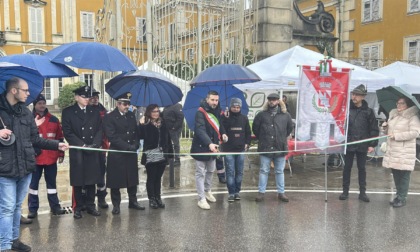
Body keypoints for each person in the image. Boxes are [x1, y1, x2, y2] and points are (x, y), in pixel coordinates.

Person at [0, 77, 68, 252]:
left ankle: (14, 240)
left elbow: (35, 139)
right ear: (14, 91)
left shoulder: (25, 112)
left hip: (25, 166)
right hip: (5, 168)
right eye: (25, 90)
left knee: (16, 207)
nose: (29, 93)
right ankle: (4, 245)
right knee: (6, 208)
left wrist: (57, 144)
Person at [61, 85, 103, 219]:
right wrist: (82, 144)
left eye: (88, 97)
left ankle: (91, 205)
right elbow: (68, 132)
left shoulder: (94, 111)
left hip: (92, 148)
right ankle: (78, 207)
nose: (87, 99)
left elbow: (99, 129)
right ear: (76, 97)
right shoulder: (68, 112)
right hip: (78, 149)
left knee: (92, 179)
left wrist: (95, 144)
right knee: (78, 180)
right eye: (83, 97)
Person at [103, 93, 145, 214]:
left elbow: (136, 132)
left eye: (128, 104)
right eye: (125, 104)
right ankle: (116, 205)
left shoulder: (131, 115)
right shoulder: (109, 117)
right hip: (118, 153)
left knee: (132, 178)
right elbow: (112, 136)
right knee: (115, 180)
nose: (127, 106)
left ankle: (133, 201)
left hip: (131, 152)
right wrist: (128, 147)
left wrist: (136, 144)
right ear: (118, 104)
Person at [27, 94, 66, 219]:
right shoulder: (29, 119)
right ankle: (32, 209)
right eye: (39, 103)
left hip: (50, 158)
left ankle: (55, 207)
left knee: (52, 185)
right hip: (35, 158)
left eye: (43, 103)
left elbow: (59, 137)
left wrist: (61, 154)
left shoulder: (54, 119)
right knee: (33, 186)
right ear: (34, 104)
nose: (42, 105)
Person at [339, 84, 379, 202]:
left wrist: (372, 144)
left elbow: (373, 128)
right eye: (353, 94)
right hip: (349, 143)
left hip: (362, 144)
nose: (354, 96)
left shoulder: (369, 112)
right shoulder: (346, 110)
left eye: (357, 94)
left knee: (362, 168)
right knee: (347, 168)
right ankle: (345, 191)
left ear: (363, 97)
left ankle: (362, 192)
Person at [190, 90, 227, 210]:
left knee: (211, 170)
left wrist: (224, 134)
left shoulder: (218, 111)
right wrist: (209, 143)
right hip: (202, 147)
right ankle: (201, 198)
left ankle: (207, 191)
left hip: (214, 147)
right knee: (200, 173)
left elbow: (220, 125)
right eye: (212, 100)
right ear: (207, 99)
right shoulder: (200, 112)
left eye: (216, 100)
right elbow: (200, 130)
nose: (215, 102)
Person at [253, 93, 293, 202]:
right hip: (265, 147)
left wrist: (280, 137)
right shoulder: (261, 115)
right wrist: (263, 138)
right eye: (270, 99)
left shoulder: (286, 115)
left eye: (274, 100)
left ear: (278, 101)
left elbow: (289, 128)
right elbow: (255, 129)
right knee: (263, 171)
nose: (272, 101)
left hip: (280, 147)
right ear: (268, 101)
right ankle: (261, 193)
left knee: (279, 171)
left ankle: (281, 193)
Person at [382, 97, 420, 207]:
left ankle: (402, 198)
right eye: (397, 103)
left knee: (404, 175)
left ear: (407, 105)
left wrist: (397, 136)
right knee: (396, 174)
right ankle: (398, 196)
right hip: (393, 150)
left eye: (402, 103)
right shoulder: (394, 115)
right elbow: (389, 132)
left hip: (404, 151)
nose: (398, 105)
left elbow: (415, 133)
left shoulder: (412, 117)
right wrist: (385, 127)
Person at [139, 104, 173, 209]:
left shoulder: (163, 122)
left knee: (158, 178)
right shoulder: (145, 123)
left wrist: (170, 153)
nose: (156, 113)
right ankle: (152, 199)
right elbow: (140, 136)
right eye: (153, 111)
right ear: (149, 112)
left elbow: (168, 137)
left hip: (162, 153)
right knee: (151, 177)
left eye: (157, 111)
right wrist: (141, 125)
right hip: (151, 154)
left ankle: (158, 197)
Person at [221, 98, 251, 202]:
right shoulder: (225, 117)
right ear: (230, 107)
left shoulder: (244, 118)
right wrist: (224, 118)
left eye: (238, 107)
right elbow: (221, 128)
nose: (236, 108)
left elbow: (248, 132)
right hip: (228, 149)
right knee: (230, 172)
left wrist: (247, 143)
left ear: (240, 107)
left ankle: (237, 191)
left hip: (241, 149)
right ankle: (231, 193)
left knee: (239, 172)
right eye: (234, 107)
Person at [89, 89, 109, 209]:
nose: (95, 99)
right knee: (90, 174)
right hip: (88, 146)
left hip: (101, 146)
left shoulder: (103, 111)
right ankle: (89, 199)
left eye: (96, 96)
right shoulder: (86, 111)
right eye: (92, 97)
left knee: (101, 172)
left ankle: (102, 198)